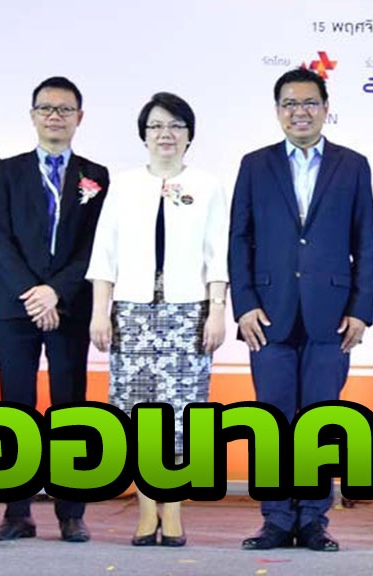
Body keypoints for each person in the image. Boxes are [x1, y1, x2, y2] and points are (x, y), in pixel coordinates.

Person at [229, 67, 373, 552]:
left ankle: (313, 519)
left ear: (326, 108)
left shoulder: (353, 165)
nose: (300, 112)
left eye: (309, 102)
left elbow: (366, 241)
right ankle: (275, 519)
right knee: (272, 418)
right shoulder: (255, 164)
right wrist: (244, 305)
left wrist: (361, 310)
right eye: (289, 103)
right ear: (277, 111)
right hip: (267, 313)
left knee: (320, 418)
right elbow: (240, 238)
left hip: (331, 314)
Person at [87, 92, 227, 547]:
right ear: (144, 134)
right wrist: (101, 312)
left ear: (189, 135)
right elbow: (105, 253)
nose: (166, 134)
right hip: (133, 314)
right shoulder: (125, 184)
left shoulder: (207, 185)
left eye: (175, 126)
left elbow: (217, 254)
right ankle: (148, 512)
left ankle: (175, 512)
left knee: (183, 418)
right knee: (138, 417)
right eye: (156, 126)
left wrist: (217, 310)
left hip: (188, 314)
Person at [0, 76, 108, 543]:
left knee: (70, 407)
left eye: (64, 109)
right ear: (33, 115)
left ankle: (71, 513)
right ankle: (16, 513)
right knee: (15, 407)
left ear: (80, 117)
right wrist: (33, 293)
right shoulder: (7, 171)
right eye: (46, 108)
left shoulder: (96, 176)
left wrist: (56, 292)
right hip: (16, 306)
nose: (55, 116)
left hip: (69, 307)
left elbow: (95, 245)